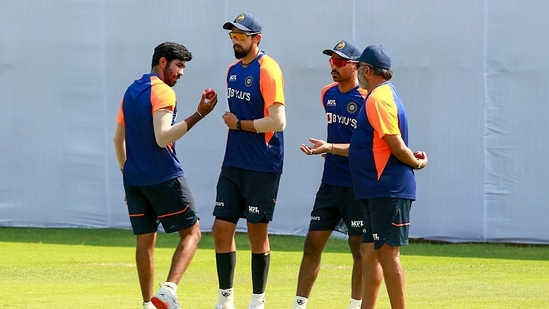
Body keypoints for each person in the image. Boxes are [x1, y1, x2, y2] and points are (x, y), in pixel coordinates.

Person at [302, 45, 428, 309]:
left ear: (367, 70)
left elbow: (395, 145)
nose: (357, 72)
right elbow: (367, 146)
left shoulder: (378, 98)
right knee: (369, 254)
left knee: (388, 256)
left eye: (359, 67)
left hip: (388, 190)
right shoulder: (381, 95)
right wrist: (330, 147)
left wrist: (416, 162)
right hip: (374, 190)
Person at [113, 41, 218, 309]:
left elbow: (117, 139)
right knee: (192, 232)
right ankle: (169, 290)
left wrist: (129, 175)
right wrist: (199, 114)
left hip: (135, 180)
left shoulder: (131, 90)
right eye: (179, 66)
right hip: (164, 174)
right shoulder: (163, 92)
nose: (181, 73)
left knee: (145, 242)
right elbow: (163, 138)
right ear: (162, 62)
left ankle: (148, 304)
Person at [212, 12, 286, 309]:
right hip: (234, 162)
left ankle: (257, 301)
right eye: (232, 36)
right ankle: (225, 299)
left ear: (257, 39)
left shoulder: (268, 69)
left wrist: (240, 124)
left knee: (257, 233)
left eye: (241, 36)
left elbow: (278, 122)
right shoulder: (232, 70)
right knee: (221, 229)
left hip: (262, 164)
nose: (235, 41)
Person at [292, 40, 366, 309]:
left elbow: (366, 147)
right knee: (312, 245)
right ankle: (299, 305)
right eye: (331, 61)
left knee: (359, 251)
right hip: (330, 184)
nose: (333, 67)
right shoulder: (327, 93)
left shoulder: (368, 100)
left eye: (339, 62)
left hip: (358, 186)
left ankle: (355, 305)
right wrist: (327, 151)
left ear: (356, 67)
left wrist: (331, 147)